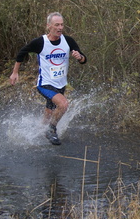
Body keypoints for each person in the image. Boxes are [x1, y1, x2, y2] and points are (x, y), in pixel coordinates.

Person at [9, 12, 87, 144]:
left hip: (61, 84)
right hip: (45, 83)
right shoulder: (40, 42)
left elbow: (83, 59)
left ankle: (38, 131)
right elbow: (22, 52)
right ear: (49, 26)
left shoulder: (68, 41)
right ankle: (51, 130)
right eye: (57, 25)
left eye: (62, 25)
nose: (60, 28)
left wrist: (80, 57)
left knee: (49, 112)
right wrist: (15, 72)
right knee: (63, 104)